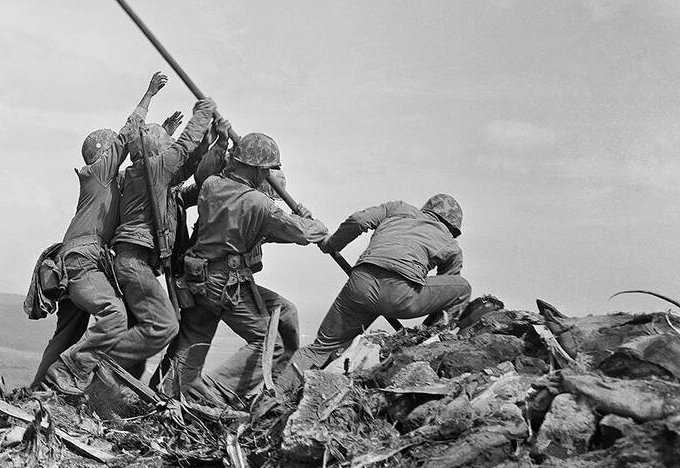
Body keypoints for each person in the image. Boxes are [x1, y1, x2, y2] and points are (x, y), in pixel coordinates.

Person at [163, 133, 328, 401]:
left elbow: (254, 228)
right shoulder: (258, 203)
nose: (266, 177)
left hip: (198, 278)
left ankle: (172, 393)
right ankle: (214, 393)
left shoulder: (212, 186)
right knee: (270, 343)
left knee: (196, 338)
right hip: (225, 283)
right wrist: (313, 223)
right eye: (265, 171)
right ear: (255, 168)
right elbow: (301, 233)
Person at [37, 72, 168, 394]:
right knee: (113, 315)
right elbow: (127, 136)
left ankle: (38, 391)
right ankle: (70, 373)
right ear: (105, 153)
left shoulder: (106, 183)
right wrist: (149, 95)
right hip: (83, 261)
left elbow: (145, 167)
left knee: (67, 333)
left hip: (74, 262)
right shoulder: (97, 174)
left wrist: (164, 135)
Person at [280, 194, 471, 389]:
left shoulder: (398, 208)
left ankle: (272, 392)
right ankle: (431, 343)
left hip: (360, 285)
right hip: (401, 295)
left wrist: (332, 245)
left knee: (320, 348)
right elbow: (445, 295)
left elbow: (358, 220)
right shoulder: (451, 245)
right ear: (453, 227)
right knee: (462, 288)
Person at [106, 95, 218, 377]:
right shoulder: (151, 169)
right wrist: (203, 113)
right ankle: (95, 361)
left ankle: (110, 384)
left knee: (140, 339)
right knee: (164, 326)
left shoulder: (148, 175)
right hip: (134, 262)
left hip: (136, 262)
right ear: (158, 151)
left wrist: (212, 140)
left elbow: (188, 165)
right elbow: (183, 149)